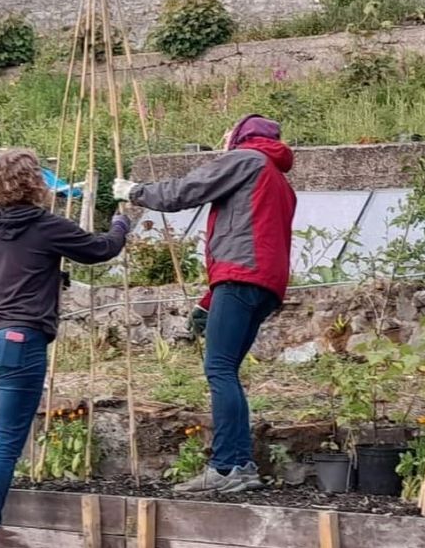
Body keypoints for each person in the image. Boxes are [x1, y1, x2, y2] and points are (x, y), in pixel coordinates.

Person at [0, 149, 130, 548]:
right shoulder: (46, 226)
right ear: (36, 183)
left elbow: (8, 276)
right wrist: (122, 221)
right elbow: (101, 250)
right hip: (20, 342)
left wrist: (49, 276)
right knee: (6, 443)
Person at [112, 114, 296, 494]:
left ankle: (228, 467)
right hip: (262, 284)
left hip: (240, 278)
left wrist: (135, 191)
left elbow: (186, 190)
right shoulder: (278, 179)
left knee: (219, 370)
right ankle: (240, 463)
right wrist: (210, 300)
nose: (223, 138)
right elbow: (253, 236)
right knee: (227, 370)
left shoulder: (246, 159)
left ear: (245, 136)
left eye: (229, 132)